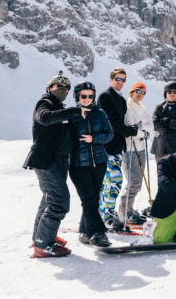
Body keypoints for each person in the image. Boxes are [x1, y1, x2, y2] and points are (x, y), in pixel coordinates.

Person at [24, 71, 83, 258]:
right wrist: (74, 111)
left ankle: (40, 237)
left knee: (49, 199)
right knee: (59, 201)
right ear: (50, 88)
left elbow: (69, 135)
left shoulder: (59, 108)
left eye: (66, 87)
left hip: (59, 161)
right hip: (46, 160)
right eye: (59, 86)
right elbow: (45, 118)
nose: (63, 89)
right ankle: (43, 245)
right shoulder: (45, 103)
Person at [68, 81, 114, 247]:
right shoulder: (71, 116)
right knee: (88, 199)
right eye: (83, 96)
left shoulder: (99, 114)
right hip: (78, 165)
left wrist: (94, 138)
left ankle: (85, 232)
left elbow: (109, 134)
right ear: (77, 97)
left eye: (90, 96)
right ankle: (98, 233)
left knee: (93, 199)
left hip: (99, 163)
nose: (87, 99)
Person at [98, 68, 138, 230]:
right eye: (117, 79)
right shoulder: (105, 97)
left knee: (108, 182)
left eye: (123, 80)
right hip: (107, 147)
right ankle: (106, 216)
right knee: (114, 181)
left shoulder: (120, 99)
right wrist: (129, 131)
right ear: (110, 79)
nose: (120, 82)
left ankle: (103, 214)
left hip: (117, 147)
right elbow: (111, 122)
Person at [117, 81, 152, 225]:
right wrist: (143, 132)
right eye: (137, 91)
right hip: (129, 148)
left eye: (143, 92)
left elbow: (150, 126)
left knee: (138, 182)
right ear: (131, 92)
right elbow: (130, 129)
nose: (140, 94)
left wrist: (141, 129)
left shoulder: (142, 108)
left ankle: (128, 210)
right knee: (134, 182)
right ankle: (124, 212)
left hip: (141, 148)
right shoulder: (127, 107)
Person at [151, 81, 176, 163]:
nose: (172, 94)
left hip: (175, 147)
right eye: (169, 92)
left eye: (175, 92)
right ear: (165, 93)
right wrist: (172, 125)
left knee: (175, 170)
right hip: (160, 147)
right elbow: (154, 125)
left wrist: (166, 121)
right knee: (161, 170)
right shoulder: (159, 107)